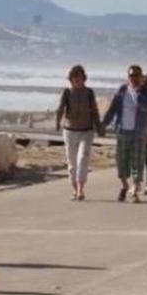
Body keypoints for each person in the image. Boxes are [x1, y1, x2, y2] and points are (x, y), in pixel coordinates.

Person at [102, 65, 147, 203]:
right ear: (128, 77)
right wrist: (103, 124)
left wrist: (137, 93)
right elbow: (112, 109)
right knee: (121, 163)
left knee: (137, 162)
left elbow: (145, 106)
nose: (134, 78)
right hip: (122, 131)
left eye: (137, 75)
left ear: (141, 77)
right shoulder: (122, 91)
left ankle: (135, 190)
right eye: (131, 76)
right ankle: (125, 186)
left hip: (138, 133)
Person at [55, 65, 101, 201]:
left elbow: (94, 110)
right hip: (70, 131)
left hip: (86, 131)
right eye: (74, 76)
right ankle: (74, 189)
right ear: (70, 79)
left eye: (79, 76)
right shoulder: (67, 92)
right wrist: (57, 122)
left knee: (83, 158)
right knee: (72, 162)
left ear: (83, 77)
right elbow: (60, 108)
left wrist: (99, 125)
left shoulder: (89, 92)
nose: (77, 79)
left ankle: (80, 189)